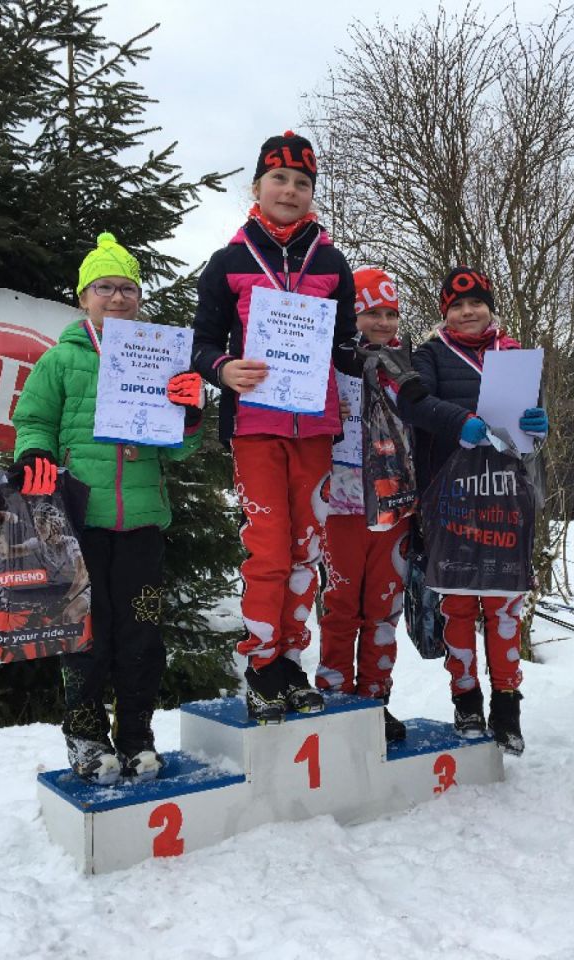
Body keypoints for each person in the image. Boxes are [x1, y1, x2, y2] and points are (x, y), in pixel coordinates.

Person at [11, 232, 204, 784]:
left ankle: (137, 736)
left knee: (142, 637)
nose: (117, 297)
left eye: (128, 289)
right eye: (105, 288)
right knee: (85, 636)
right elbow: (32, 420)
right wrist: (35, 454)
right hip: (80, 523)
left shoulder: (159, 359)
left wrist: (189, 413)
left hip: (142, 522)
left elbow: (178, 447)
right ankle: (87, 737)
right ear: (83, 297)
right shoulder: (61, 360)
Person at [191, 130, 361, 724]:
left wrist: (375, 357)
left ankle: (291, 661)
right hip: (256, 428)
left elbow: (343, 346)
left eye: (302, 182)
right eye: (279, 179)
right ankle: (261, 665)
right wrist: (222, 368)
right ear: (257, 185)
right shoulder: (229, 261)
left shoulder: (332, 263)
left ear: (313, 192)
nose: (290, 190)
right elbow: (201, 343)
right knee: (268, 548)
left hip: (314, 429)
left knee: (305, 549)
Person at [398, 266, 547, 755]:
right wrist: (457, 421)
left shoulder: (515, 355)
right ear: (445, 312)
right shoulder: (431, 354)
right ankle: (466, 701)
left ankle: (507, 706)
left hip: (505, 495)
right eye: (457, 305)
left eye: (476, 303)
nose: (467, 312)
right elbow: (414, 405)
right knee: (458, 606)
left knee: (504, 606)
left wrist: (539, 428)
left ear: (490, 307)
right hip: (450, 495)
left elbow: (530, 435)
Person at [316, 268, 417, 742]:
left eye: (390, 313)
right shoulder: (330, 360)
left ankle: (375, 701)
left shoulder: (408, 364)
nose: (382, 322)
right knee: (340, 606)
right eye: (372, 312)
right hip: (340, 503)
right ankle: (336, 701)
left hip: (393, 503)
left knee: (384, 607)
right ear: (353, 315)